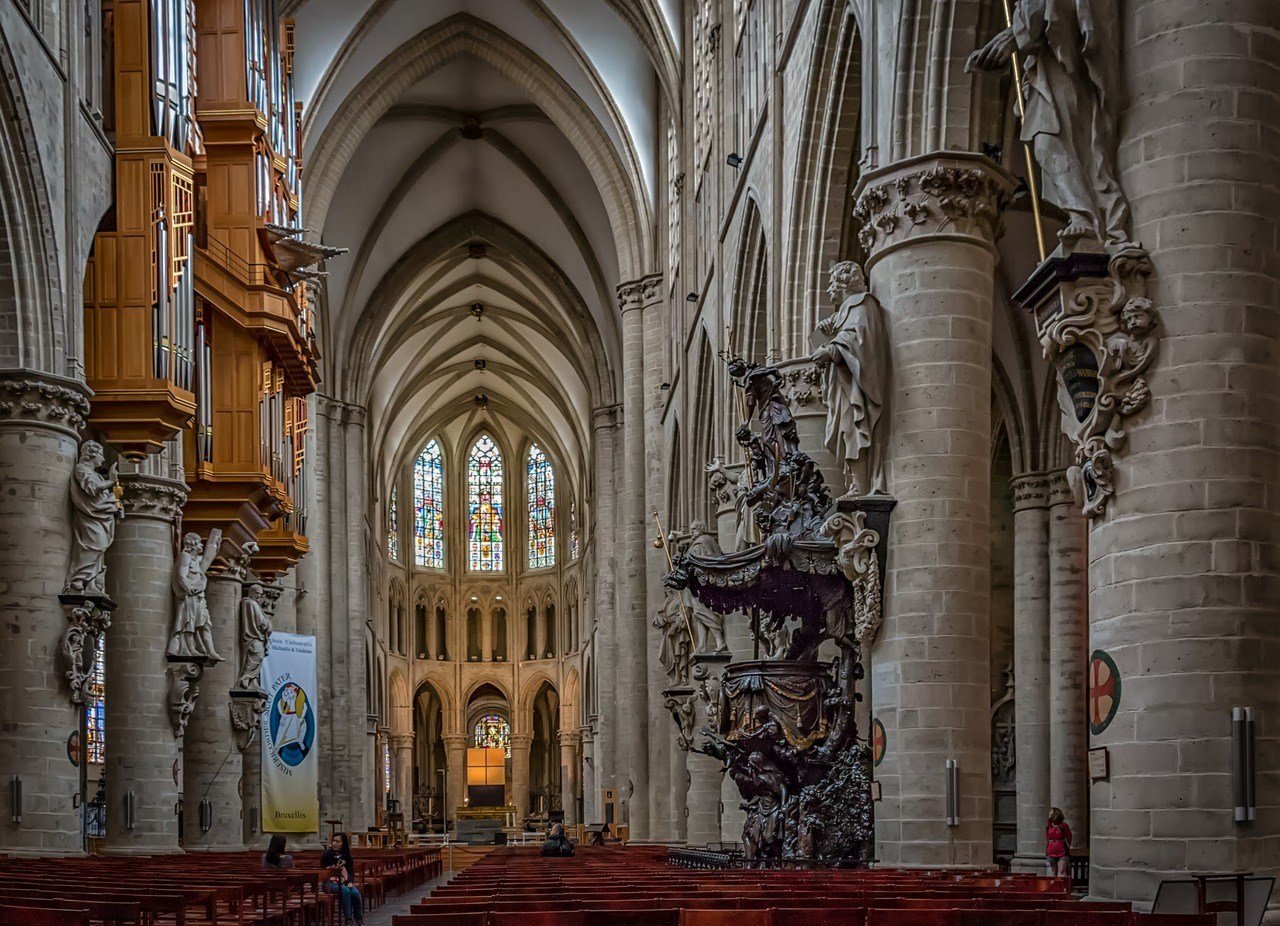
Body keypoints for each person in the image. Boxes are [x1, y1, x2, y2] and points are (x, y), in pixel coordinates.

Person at [320, 832, 365, 925]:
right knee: (345, 891)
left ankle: (359, 918)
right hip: (329, 884)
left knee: (356, 893)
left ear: (343, 843)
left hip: (344, 882)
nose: (335, 843)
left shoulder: (347, 856)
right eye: (333, 841)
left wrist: (350, 882)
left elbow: (351, 872)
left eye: (338, 841)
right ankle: (348, 918)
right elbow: (323, 871)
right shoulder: (326, 855)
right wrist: (334, 870)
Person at [1046, 807, 1073, 877]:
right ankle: (1053, 888)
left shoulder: (1063, 825)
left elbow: (1069, 836)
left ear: (1055, 813)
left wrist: (1067, 846)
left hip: (1062, 852)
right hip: (1051, 851)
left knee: (1061, 872)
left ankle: (1061, 887)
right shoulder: (1048, 825)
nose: (1049, 813)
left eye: (1051, 812)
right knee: (1052, 874)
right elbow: (1047, 837)